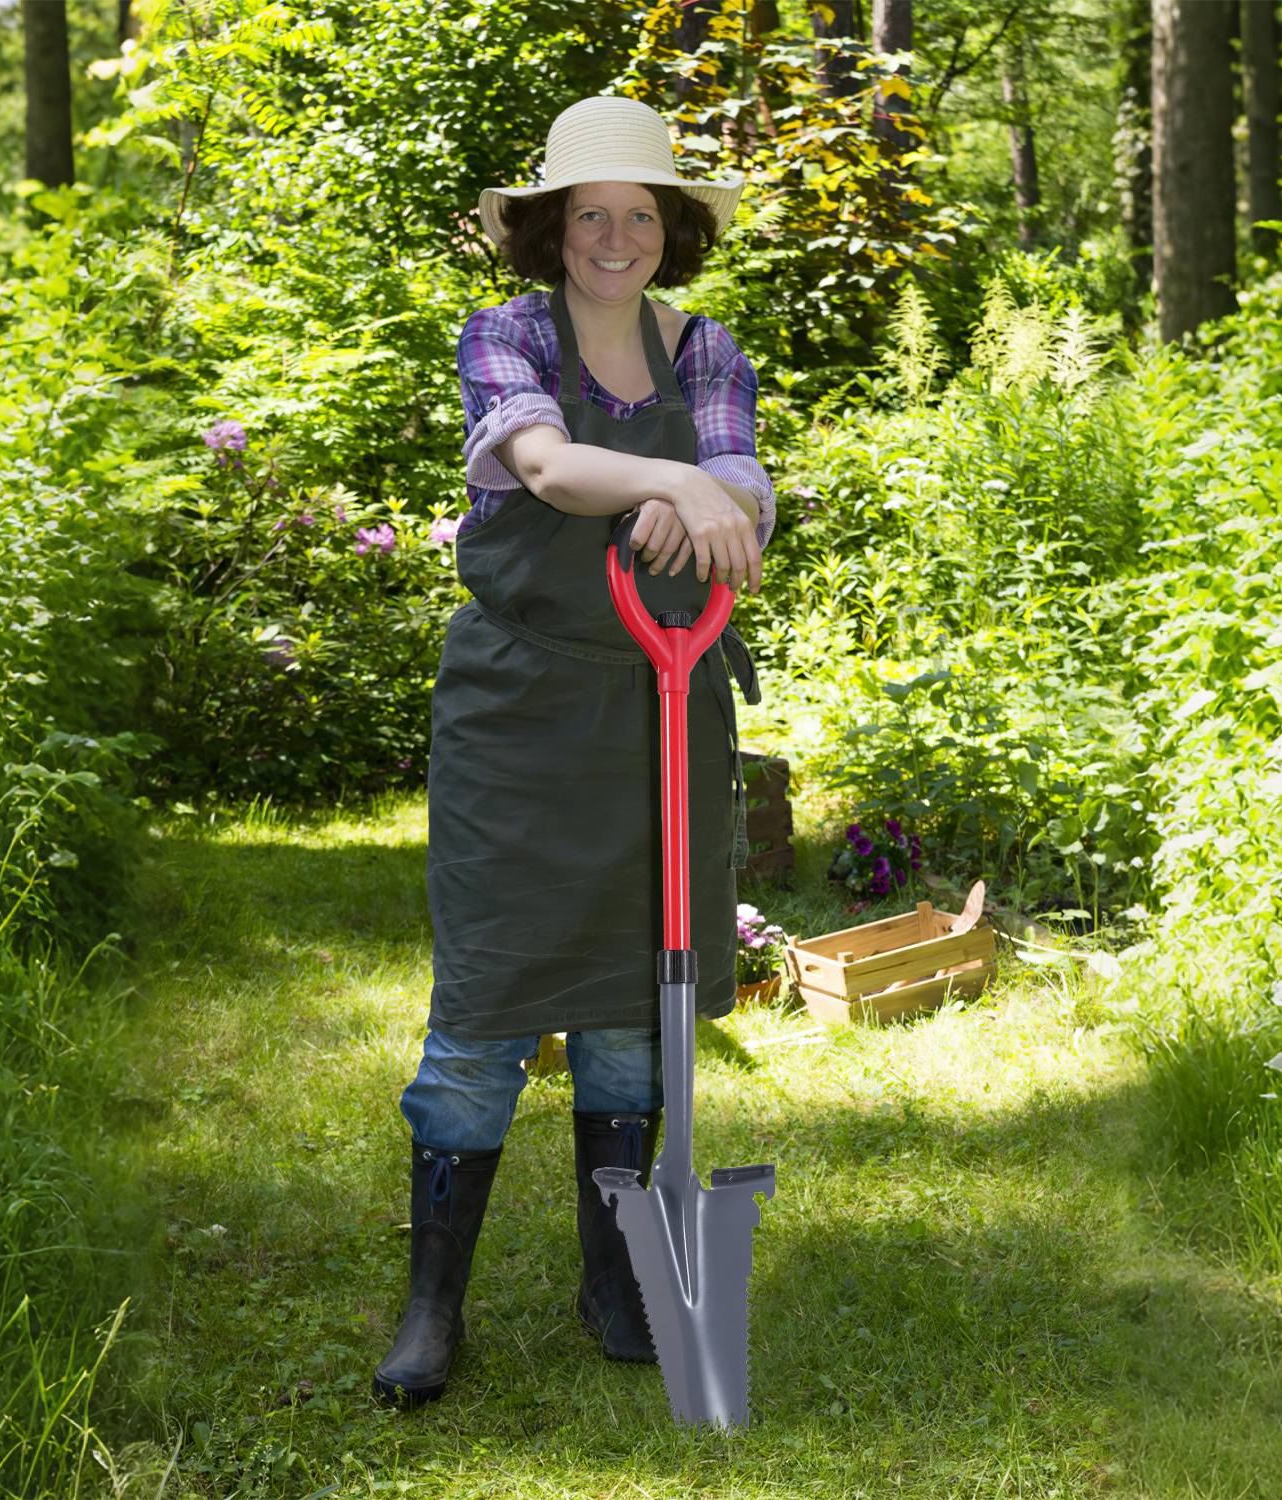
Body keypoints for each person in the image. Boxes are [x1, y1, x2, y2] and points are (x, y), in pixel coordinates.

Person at [371, 95, 777, 1408]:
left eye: (639, 215)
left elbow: (745, 498)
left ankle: (616, 1282)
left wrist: (716, 493)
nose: (615, 238)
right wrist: (677, 483)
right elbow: (545, 467)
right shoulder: (505, 336)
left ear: (671, 229)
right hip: (517, 714)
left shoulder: (706, 351)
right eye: (589, 214)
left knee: (631, 1011)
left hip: (662, 705)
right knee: (481, 1011)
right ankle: (433, 1306)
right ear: (551, 227)